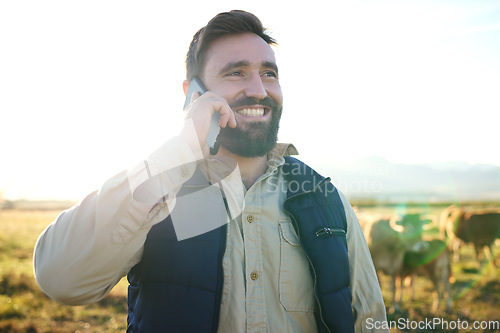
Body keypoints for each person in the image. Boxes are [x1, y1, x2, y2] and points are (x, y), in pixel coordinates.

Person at [34, 10, 388, 332]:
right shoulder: (158, 192)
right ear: (193, 94)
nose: (258, 90)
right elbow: (60, 277)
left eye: (269, 73)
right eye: (236, 72)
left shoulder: (325, 198)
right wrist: (182, 147)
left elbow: (370, 321)